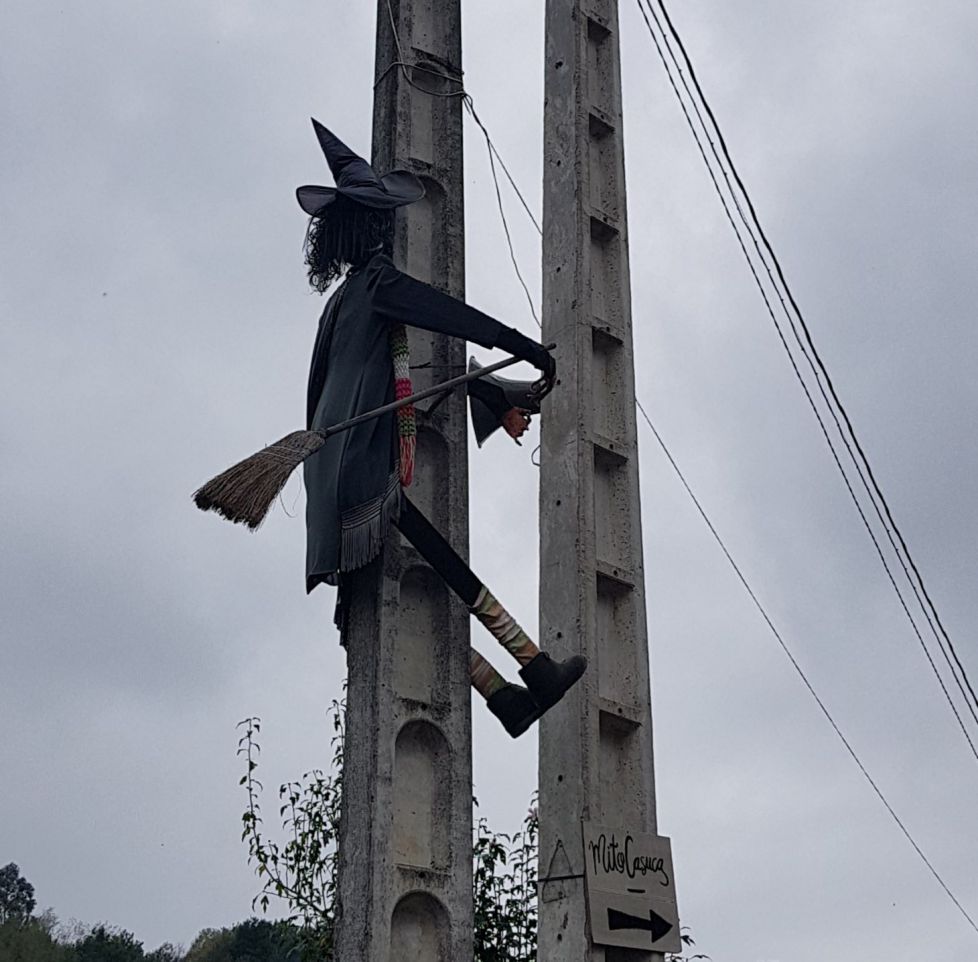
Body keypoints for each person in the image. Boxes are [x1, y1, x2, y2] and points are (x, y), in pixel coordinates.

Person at [298, 120, 586, 738]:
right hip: (358, 462)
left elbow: (316, 397)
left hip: (327, 479)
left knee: (397, 590)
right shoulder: (377, 285)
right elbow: (452, 318)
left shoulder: (336, 307)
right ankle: (532, 668)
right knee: (443, 564)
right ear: (375, 226)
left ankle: (503, 693)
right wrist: (526, 347)